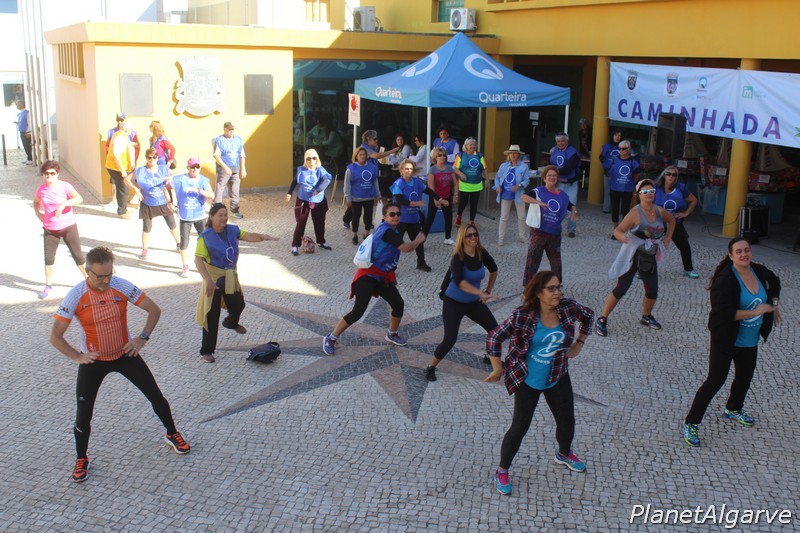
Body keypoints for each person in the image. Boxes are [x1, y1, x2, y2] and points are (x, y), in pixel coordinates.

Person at [50, 246, 191, 483]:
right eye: (99, 276)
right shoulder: (75, 295)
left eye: (109, 274)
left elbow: (154, 310)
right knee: (84, 414)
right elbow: (55, 336)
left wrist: (142, 338)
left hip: (125, 355)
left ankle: (172, 433)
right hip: (94, 362)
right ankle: (82, 458)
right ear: (87, 272)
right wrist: (77, 356)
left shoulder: (120, 285)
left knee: (156, 396)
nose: (105, 281)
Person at [485, 271, 594, 495]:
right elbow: (495, 337)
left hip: (557, 375)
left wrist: (579, 342)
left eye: (559, 287)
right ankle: (502, 470)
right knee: (519, 428)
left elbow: (588, 316)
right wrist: (497, 368)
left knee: (567, 422)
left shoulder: (568, 308)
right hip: (527, 379)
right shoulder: (523, 315)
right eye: (551, 288)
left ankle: (564, 454)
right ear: (537, 293)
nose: (558, 292)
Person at [681, 239, 781, 447]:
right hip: (726, 339)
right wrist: (757, 311)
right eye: (739, 251)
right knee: (715, 380)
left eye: (747, 250)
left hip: (750, 339)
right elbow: (724, 313)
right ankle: (690, 423)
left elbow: (775, 282)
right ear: (731, 255)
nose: (744, 254)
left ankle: (733, 408)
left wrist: (774, 304)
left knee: (745, 376)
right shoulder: (725, 280)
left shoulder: (759, 271)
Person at [322, 202, 426, 356]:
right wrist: (418, 239)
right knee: (358, 311)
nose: (396, 216)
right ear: (384, 217)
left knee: (398, 304)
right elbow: (406, 248)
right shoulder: (387, 232)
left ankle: (391, 333)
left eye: (398, 214)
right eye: (392, 214)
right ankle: (331, 338)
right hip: (368, 276)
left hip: (382, 277)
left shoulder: (393, 230)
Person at [195, 203, 279, 363]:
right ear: (211, 217)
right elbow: (198, 260)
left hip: (229, 277)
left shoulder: (232, 230)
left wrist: (263, 236)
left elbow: (249, 236)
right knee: (211, 315)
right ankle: (206, 350)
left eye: (225, 214)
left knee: (239, 304)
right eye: (220, 215)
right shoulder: (205, 237)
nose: (223, 218)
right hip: (214, 280)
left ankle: (230, 322)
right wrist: (208, 280)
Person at [595, 179, 675, 336]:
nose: (649, 194)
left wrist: (668, 237)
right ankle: (602, 319)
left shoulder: (659, 210)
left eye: (651, 191)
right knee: (621, 288)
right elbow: (617, 230)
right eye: (645, 192)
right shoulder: (634, 213)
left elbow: (672, 220)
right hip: (632, 255)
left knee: (652, 290)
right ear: (639, 195)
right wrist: (622, 237)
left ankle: (646, 316)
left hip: (649, 255)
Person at [425, 223, 498, 382]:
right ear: (462, 238)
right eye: (469, 235)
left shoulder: (481, 253)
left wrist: (487, 291)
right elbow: (460, 282)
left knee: (495, 331)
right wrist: (480, 293)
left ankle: (488, 356)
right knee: (450, 339)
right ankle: (431, 367)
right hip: (454, 303)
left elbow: (494, 269)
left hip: (473, 303)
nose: (473, 238)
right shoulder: (458, 257)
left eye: (475, 234)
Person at [33, 160, 87, 299]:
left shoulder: (65, 186)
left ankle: (90, 281)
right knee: (49, 258)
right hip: (50, 229)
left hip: (68, 227)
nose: (49, 176)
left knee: (78, 256)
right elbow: (36, 202)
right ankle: (48, 286)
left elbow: (79, 198)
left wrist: (64, 204)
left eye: (52, 173)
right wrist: (39, 214)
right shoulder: (41, 190)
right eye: (46, 173)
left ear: (57, 174)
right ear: (43, 175)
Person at [521, 165, 576, 287]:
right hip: (539, 233)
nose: (552, 177)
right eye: (549, 175)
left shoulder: (562, 195)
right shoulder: (539, 191)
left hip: (555, 235)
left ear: (557, 178)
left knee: (556, 263)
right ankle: (528, 287)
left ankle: (557, 286)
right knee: (532, 262)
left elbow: (570, 205)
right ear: (544, 178)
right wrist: (538, 202)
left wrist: (574, 211)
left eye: (554, 175)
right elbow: (524, 197)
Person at [131, 148, 180, 261]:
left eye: (154, 157)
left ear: (157, 158)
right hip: (147, 202)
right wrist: (136, 189)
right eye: (149, 157)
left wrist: (170, 179)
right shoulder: (140, 170)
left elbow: (178, 175)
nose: (152, 159)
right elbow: (129, 180)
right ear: (146, 158)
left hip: (163, 200)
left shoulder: (163, 168)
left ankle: (179, 244)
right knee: (147, 227)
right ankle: (145, 249)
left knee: (172, 224)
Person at [168, 157, 214, 277]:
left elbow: (212, 195)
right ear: (188, 167)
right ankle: (185, 266)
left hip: (199, 215)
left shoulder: (203, 180)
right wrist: (170, 203)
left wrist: (198, 190)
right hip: (185, 216)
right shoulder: (180, 179)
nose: (195, 169)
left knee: (205, 241)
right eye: (192, 167)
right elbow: (166, 187)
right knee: (184, 243)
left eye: (197, 167)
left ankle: (203, 263)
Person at [391, 158, 439, 272]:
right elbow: (399, 200)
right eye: (406, 169)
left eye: (411, 169)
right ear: (401, 170)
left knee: (419, 241)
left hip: (413, 218)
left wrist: (439, 199)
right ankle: (391, 267)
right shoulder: (398, 183)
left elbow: (429, 191)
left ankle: (421, 263)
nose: (409, 171)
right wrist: (416, 203)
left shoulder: (417, 182)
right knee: (396, 243)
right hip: (400, 219)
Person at [654, 166, 699, 278]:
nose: (671, 177)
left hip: (675, 223)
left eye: (674, 175)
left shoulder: (680, 188)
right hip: (657, 223)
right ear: (664, 175)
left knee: (685, 247)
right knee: (648, 246)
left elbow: (694, 200)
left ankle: (688, 269)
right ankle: (644, 270)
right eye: (668, 174)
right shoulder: (656, 188)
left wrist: (685, 213)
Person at [285, 148, 332, 256]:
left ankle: (321, 242)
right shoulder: (302, 170)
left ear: (317, 159)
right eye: (309, 158)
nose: (311, 161)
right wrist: (289, 193)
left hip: (317, 200)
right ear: (305, 159)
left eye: (314, 158)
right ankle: (295, 245)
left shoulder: (320, 170)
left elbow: (326, 180)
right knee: (300, 222)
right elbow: (294, 181)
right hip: (303, 199)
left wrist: (318, 190)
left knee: (319, 222)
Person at [494, 144, 530, 246]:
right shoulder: (503, 166)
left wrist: (519, 185)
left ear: (518, 155)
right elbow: (497, 178)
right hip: (506, 193)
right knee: (504, 217)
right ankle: (501, 239)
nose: (513, 155)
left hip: (519, 194)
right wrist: (497, 186)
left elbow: (527, 180)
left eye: (515, 153)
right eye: (511, 153)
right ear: (508, 155)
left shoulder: (524, 166)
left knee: (521, 217)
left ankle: (522, 236)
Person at [603, 140, 640, 239]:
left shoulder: (633, 162)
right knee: (614, 210)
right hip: (614, 188)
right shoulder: (614, 159)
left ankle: (624, 230)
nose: (621, 151)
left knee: (625, 211)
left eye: (624, 149)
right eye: (619, 148)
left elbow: (636, 174)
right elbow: (608, 169)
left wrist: (631, 183)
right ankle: (616, 231)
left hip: (627, 190)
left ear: (629, 149)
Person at [344, 146, 381, 245]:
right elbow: (347, 184)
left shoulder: (372, 167)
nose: (362, 156)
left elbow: (375, 181)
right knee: (356, 216)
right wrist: (348, 198)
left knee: (368, 217)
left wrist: (378, 194)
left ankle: (366, 234)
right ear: (356, 156)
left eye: (364, 154)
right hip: (356, 197)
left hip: (369, 196)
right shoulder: (351, 168)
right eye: (360, 154)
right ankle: (355, 235)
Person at [105, 113, 140, 210]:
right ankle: (122, 211)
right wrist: (122, 170)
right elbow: (116, 155)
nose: (131, 131)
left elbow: (128, 148)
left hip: (122, 167)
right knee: (123, 188)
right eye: (130, 129)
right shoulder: (120, 137)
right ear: (126, 128)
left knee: (123, 187)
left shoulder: (123, 136)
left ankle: (123, 209)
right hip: (117, 167)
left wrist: (132, 163)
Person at [212, 121, 247, 219]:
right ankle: (216, 210)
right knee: (219, 189)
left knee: (235, 191)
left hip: (235, 168)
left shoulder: (238, 140)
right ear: (225, 129)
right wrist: (225, 167)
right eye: (229, 129)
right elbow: (216, 156)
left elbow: (242, 155)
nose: (231, 131)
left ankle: (234, 210)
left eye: (232, 129)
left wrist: (243, 168)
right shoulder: (219, 140)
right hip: (223, 170)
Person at [549, 133, 581, 238]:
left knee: (572, 207)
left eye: (562, 141)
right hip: (558, 183)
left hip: (570, 184)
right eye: (558, 141)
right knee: (555, 207)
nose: (560, 143)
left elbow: (568, 168)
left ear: (567, 141)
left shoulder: (573, 152)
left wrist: (553, 171)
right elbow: (551, 163)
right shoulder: (554, 151)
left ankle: (571, 230)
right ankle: (555, 228)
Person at [453, 137, 487, 227]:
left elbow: (484, 168)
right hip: (464, 184)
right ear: (466, 146)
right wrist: (461, 174)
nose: (472, 146)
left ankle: (472, 220)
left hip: (477, 184)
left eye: (474, 144)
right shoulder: (460, 155)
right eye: (470, 144)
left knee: (474, 203)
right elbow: (455, 168)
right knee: (463, 202)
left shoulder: (479, 155)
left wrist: (487, 180)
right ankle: (459, 216)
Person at [424, 147, 456, 245]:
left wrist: (455, 195)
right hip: (436, 197)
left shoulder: (449, 169)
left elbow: (455, 183)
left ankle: (448, 238)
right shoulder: (432, 169)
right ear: (435, 157)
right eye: (440, 155)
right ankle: (422, 240)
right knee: (430, 219)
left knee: (449, 219)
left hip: (447, 196)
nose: (442, 157)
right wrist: (436, 199)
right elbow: (430, 186)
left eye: (444, 155)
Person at [599, 130, 623, 213]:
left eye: (619, 135)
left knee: (619, 191)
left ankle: (617, 209)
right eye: (616, 135)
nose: (617, 137)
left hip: (619, 174)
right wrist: (607, 165)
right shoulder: (606, 146)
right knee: (607, 191)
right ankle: (606, 208)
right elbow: (601, 157)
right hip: (608, 172)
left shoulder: (623, 148)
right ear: (612, 136)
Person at [15, 100, 32, 165]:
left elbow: (29, 122)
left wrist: (28, 131)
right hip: (21, 131)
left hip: (26, 131)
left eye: (18, 104)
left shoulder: (27, 113)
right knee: (25, 145)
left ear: (22, 105)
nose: (17, 106)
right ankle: (28, 158)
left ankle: (30, 158)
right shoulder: (20, 114)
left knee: (28, 145)